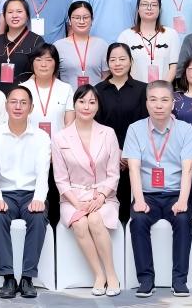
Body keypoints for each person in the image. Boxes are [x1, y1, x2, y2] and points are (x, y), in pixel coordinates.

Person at [125, 81, 192, 297]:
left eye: (164, 100)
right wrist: (139, 200)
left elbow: (187, 169)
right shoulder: (135, 129)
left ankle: (180, 280)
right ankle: (146, 280)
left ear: (172, 103)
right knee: (138, 220)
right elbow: (133, 168)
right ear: (147, 102)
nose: (159, 105)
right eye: (153, 100)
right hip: (147, 194)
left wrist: (183, 200)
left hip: (176, 193)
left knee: (184, 220)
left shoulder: (185, 129)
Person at [54, 87, 123, 296]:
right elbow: (61, 179)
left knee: (94, 219)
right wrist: (77, 203)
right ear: (74, 104)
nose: (87, 107)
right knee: (80, 222)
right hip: (72, 198)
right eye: (82, 101)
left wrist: (101, 197)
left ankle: (111, 274)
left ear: (98, 106)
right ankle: (98, 275)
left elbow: (113, 174)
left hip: (104, 196)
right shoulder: (60, 137)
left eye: (92, 102)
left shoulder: (108, 133)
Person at [0, 86, 51, 299]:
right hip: (6, 193)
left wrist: (39, 198)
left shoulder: (41, 137)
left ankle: (27, 278)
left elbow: (43, 173)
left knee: (38, 218)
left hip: (31, 193)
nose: (18, 106)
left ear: (31, 107)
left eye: (23, 102)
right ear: (6, 106)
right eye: (13, 102)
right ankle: (8, 277)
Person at [119, 0, 183, 84]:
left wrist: (162, 88)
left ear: (159, 9)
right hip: (135, 89)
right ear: (138, 9)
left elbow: (174, 66)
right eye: (144, 4)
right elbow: (122, 68)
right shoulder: (125, 36)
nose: (149, 8)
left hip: (164, 89)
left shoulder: (171, 34)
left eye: (154, 5)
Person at [0, 0, 46, 86]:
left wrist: (23, 91)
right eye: (10, 12)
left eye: (19, 11)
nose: (14, 15)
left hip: (26, 93)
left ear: (27, 15)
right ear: (4, 16)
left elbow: (39, 71)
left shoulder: (36, 41)